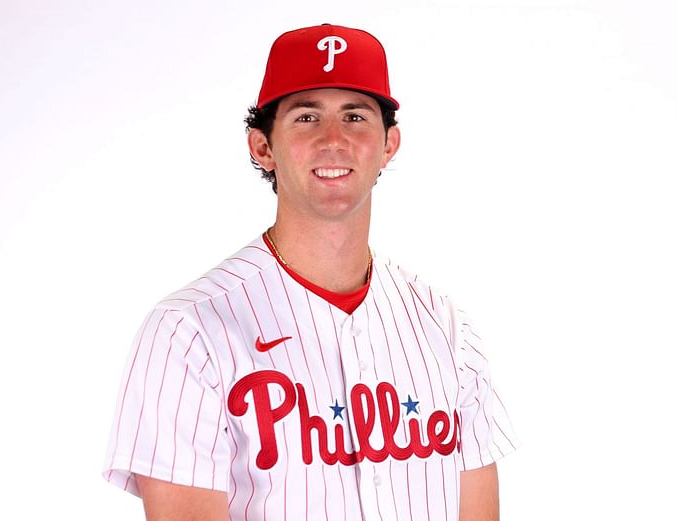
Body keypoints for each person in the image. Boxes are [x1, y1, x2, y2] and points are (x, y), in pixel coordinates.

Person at [103, 23, 517, 521]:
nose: (334, 139)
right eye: (306, 117)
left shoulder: (446, 329)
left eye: (356, 116)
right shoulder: (188, 331)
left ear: (389, 144)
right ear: (262, 147)